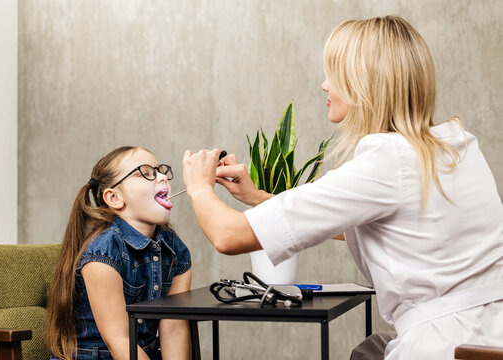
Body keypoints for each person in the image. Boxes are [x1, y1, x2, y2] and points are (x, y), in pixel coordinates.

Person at [181, 16, 503, 359]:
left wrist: (199, 186)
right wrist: (255, 197)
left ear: (363, 82)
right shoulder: (455, 146)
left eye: (332, 73)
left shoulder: (387, 160)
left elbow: (227, 236)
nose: (324, 85)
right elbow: (383, 227)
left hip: (442, 343)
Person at [46, 146, 192, 360]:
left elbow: (174, 328)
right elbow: (120, 341)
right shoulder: (103, 252)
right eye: (146, 172)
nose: (162, 177)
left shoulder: (176, 250)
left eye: (161, 170)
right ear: (114, 197)